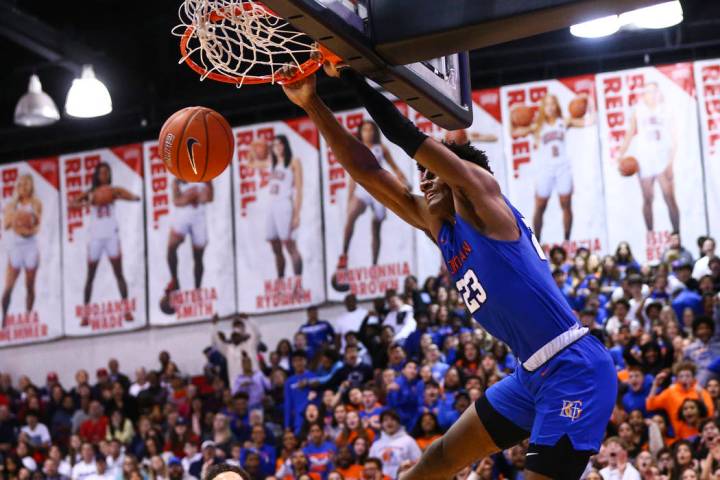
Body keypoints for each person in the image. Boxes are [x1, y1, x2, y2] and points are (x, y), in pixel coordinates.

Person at [281, 63, 616, 479]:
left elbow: (405, 136)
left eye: (429, 171)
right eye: (420, 174)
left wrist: (351, 76)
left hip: (573, 367)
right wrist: (312, 103)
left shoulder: (485, 202)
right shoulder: (443, 230)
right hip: (531, 373)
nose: (422, 181)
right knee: (437, 460)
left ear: (458, 177)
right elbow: (368, 172)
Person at [510, 93, 593, 241]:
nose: (550, 107)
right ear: (543, 107)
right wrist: (512, 113)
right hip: (546, 169)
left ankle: (567, 239)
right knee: (540, 206)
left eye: (552, 104)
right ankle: (537, 241)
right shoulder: (537, 126)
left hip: (563, 167)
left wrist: (590, 102)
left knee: (566, 204)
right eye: (547, 104)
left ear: (556, 106)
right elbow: (514, 133)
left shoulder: (564, 121)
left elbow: (590, 121)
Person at [71, 162, 140, 326]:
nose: (104, 175)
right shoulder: (90, 192)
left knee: (119, 274)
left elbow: (126, 194)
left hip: (111, 237)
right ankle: (85, 314)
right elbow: (72, 203)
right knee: (90, 276)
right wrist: (87, 202)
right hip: (95, 238)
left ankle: (126, 310)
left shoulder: (113, 191)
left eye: (107, 173)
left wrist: (134, 197)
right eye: (101, 173)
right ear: (96, 175)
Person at [336, 120, 408, 276]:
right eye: (365, 130)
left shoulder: (381, 148)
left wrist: (403, 179)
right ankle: (344, 254)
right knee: (350, 217)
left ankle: (374, 265)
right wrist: (349, 198)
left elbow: (395, 167)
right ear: (360, 133)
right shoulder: (356, 149)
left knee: (376, 228)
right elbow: (351, 176)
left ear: (375, 132)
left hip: (378, 190)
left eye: (371, 130)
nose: (368, 133)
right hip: (363, 188)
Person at [616, 81, 679, 233]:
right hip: (645, 158)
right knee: (648, 198)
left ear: (659, 93)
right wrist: (620, 154)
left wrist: (671, 162)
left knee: (669, 197)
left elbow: (675, 138)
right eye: (648, 91)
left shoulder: (666, 110)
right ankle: (650, 234)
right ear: (644, 95)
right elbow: (630, 134)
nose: (652, 94)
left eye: (654, 91)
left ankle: (677, 233)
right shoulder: (638, 111)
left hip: (663, 157)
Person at [246, 135, 304, 279]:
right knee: (274, 244)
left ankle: (298, 282)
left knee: (290, 245)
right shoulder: (271, 162)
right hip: (272, 207)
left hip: (285, 205)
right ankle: (280, 279)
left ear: (285, 145)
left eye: (280, 144)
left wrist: (296, 215)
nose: (277, 147)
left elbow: (299, 190)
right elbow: (251, 164)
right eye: (275, 145)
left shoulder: (293, 161)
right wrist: (253, 147)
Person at [1, 173, 42, 328]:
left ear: (31, 186)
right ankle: (3, 317)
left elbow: (37, 226)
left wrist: (27, 228)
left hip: (31, 247)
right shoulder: (12, 205)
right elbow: (5, 226)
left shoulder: (36, 203)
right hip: (16, 248)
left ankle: (28, 316)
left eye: (26, 184)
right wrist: (15, 218)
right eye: (20, 184)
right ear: (16, 187)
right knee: (8, 287)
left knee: (30, 286)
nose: (23, 187)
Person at [163, 179, 213, 304]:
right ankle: (174, 280)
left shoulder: (205, 174)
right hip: (183, 216)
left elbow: (209, 198)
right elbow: (176, 201)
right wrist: (190, 198)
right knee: (171, 247)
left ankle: (197, 289)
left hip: (199, 217)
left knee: (198, 257)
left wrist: (188, 198)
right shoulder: (179, 176)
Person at [645, 362, 714, 439]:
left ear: (693, 378)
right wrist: (655, 385)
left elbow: (710, 414)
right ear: (677, 378)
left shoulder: (700, 391)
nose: (684, 379)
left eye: (688, 376)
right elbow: (650, 405)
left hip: (701, 436)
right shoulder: (670, 392)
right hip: (680, 438)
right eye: (681, 376)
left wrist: (701, 397)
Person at [367, 410, 421, 479]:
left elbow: (418, 462)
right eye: (385, 420)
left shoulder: (409, 441)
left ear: (398, 423)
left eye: (393, 419)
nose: (389, 422)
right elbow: (369, 467)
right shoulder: (376, 445)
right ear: (382, 424)